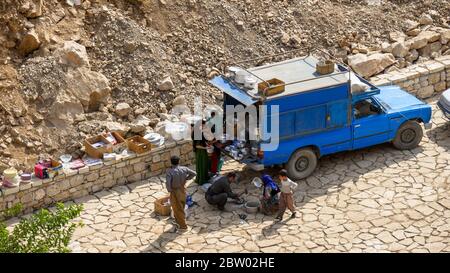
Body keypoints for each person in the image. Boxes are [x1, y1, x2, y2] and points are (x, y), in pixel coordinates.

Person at [165, 156, 196, 232]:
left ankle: (183, 227)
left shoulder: (169, 171)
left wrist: (170, 190)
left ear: (171, 162)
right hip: (183, 189)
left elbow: (168, 184)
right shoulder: (184, 169)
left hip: (175, 191)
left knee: (177, 209)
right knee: (181, 206)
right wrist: (186, 178)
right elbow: (194, 173)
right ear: (179, 161)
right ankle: (178, 221)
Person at [192, 120, 209, 185]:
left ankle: (203, 177)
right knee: (202, 165)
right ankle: (202, 180)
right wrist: (206, 148)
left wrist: (206, 144)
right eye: (204, 125)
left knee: (202, 165)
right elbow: (197, 146)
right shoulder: (198, 133)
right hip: (200, 152)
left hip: (201, 151)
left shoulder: (197, 131)